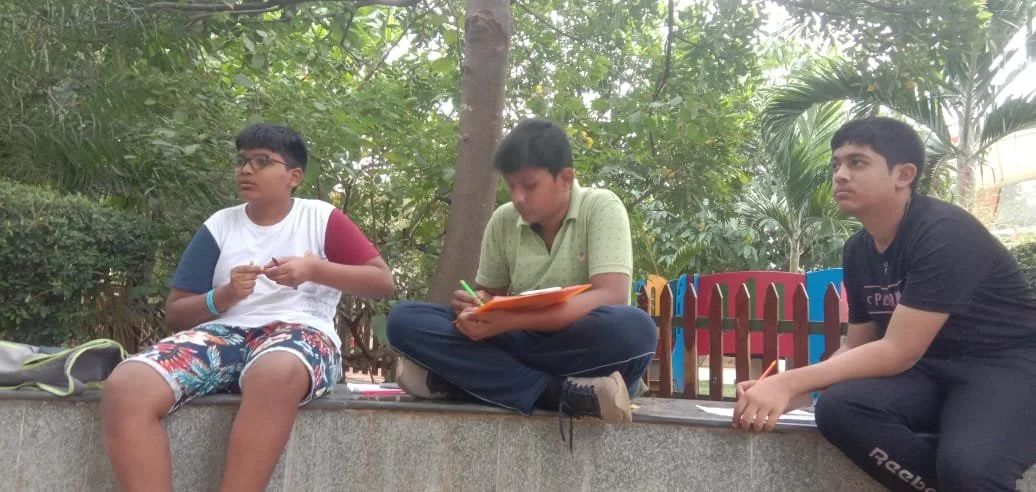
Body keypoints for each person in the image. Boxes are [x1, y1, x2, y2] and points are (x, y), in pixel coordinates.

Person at [732, 116, 1036, 491]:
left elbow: (898, 351)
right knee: (840, 408)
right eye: (836, 164)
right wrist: (795, 394)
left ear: (904, 175)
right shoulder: (859, 250)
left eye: (857, 162)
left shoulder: (944, 232)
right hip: (930, 372)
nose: (840, 175)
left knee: (969, 470)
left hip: (1009, 367)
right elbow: (857, 346)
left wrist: (787, 381)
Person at [100, 123, 395, 492]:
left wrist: (313, 268)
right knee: (127, 384)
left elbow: (382, 281)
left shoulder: (320, 217)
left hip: (302, 333)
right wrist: (222, 297)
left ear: (294, 176)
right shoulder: (220, 225)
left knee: (274, 372)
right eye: (242, 161)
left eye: (262, 161)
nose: (246, 170)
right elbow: (177, 312)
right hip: (224, 336)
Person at [386, 117, 657, 431]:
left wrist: (510, 321)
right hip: (518, 339)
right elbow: (488, 295)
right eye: (511, 184)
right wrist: (475, 307)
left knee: (636, 331)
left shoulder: (601, 207)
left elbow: (611, 295)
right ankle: (555, 393)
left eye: (529, 185)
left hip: (578, 341)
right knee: (404, 321)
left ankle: (464, 381)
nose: (517, 197)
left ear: (565, 178)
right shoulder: (503, 221)